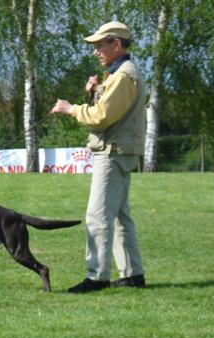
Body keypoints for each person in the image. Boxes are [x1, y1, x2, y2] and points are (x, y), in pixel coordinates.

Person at [51, 21, 146, 293]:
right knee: (118, 216)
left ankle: (97, 277)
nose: (95, 52)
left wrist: (71, 109)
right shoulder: (120, 74)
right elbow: (107, 110)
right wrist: (94, 93)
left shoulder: (124, 75)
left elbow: (102, 117)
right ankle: (132, 274)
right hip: (119, 150)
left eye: (99, 45)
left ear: (116, 44)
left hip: (113, 151)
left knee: (97, 216)